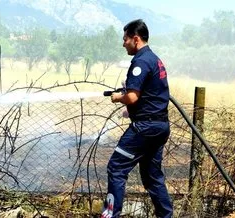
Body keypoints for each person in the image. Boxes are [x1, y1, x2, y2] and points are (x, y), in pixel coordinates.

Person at [101, 19, 173, 218]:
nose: (123, 43)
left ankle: (110, 215)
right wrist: (133, 110)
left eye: (125, 39)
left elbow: (132, 96)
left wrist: (118, 98)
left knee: (116, 168)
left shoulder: (140, 61)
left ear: (136, 39)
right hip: (159, 126)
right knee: (152, 177)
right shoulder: (154, 59)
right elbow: (152, 94)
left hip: (145, 128)